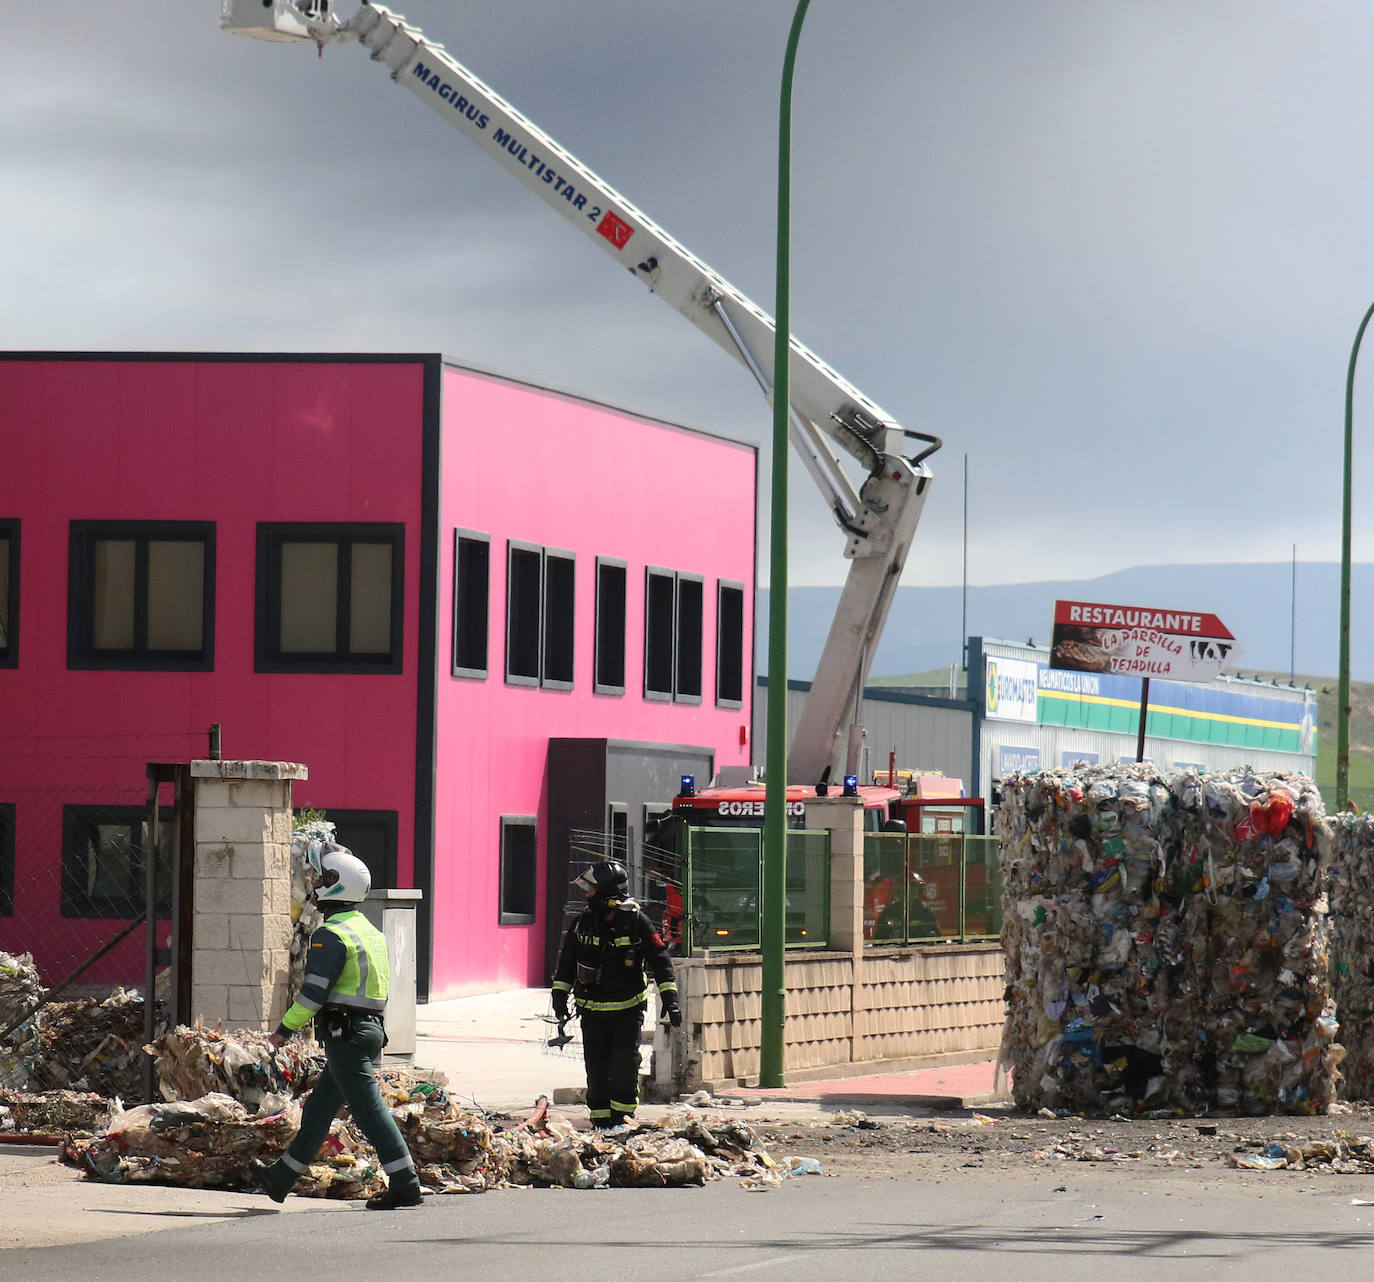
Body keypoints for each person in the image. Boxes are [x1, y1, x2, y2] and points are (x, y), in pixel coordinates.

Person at [249, 846, 423, 1210]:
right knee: (319, 1108)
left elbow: (313, 994)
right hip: (367, 1029)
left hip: (347, 1034)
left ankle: (405, 1183)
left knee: (370, 1110)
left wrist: (283, 1031)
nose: (315, 886)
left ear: (338, 886)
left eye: (323, 879)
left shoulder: (330, 933)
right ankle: (280, 1179)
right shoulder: (369, 931)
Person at [552, 859, 679, 1129]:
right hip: (591, 1011)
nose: (587, 895)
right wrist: (559, 999)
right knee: (596, 1070)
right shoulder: (582, 924)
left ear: (608, 893)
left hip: (626, 1011)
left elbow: (660, 959)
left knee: (623, 1066)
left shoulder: (635, 921)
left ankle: (622, 1121)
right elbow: (566, 966)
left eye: (591, 890)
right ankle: (600, 1123)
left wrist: (670, 998)